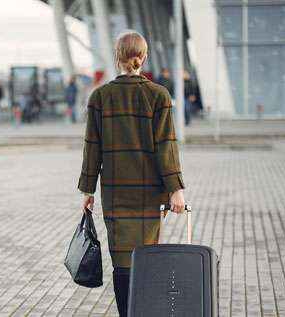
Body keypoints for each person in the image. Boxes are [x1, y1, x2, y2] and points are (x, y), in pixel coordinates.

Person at [78, 31, 186, 316]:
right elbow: (166, 146)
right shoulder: (158, 95)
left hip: (115, 193)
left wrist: (88, 190)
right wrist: (176, 188)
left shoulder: (100, 97)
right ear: (144, 57)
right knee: (145, 255)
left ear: (117, 57)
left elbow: (92, 147)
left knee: (122, 260)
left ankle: (127, 312)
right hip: (152, 193)